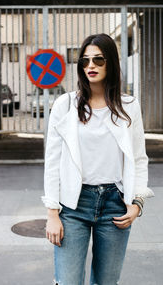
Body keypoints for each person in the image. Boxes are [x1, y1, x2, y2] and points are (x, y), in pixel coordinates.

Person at [41, 33, 155, 285]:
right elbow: (52, 162)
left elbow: (138, 157)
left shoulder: (129, 106)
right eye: (85, 61)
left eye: (98, 60)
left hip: (115, 204)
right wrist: (52, 214)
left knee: (106, 282)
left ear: (111, 63)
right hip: (73, 204)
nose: (90, 66)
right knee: (68, 281)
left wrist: (137, 202)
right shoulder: (65, 105)